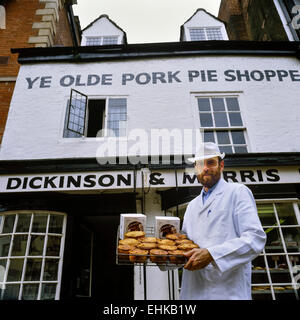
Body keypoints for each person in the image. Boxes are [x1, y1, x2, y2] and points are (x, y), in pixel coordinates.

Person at [179, 142, 266, 300]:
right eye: (200, 164)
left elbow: (255, 238)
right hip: (192, 293)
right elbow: (184, 246)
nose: (205, 168)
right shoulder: (191, 207)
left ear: (221, 165)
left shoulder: (237, 192)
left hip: (228, 292)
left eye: (210, 162)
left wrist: (212, 254)